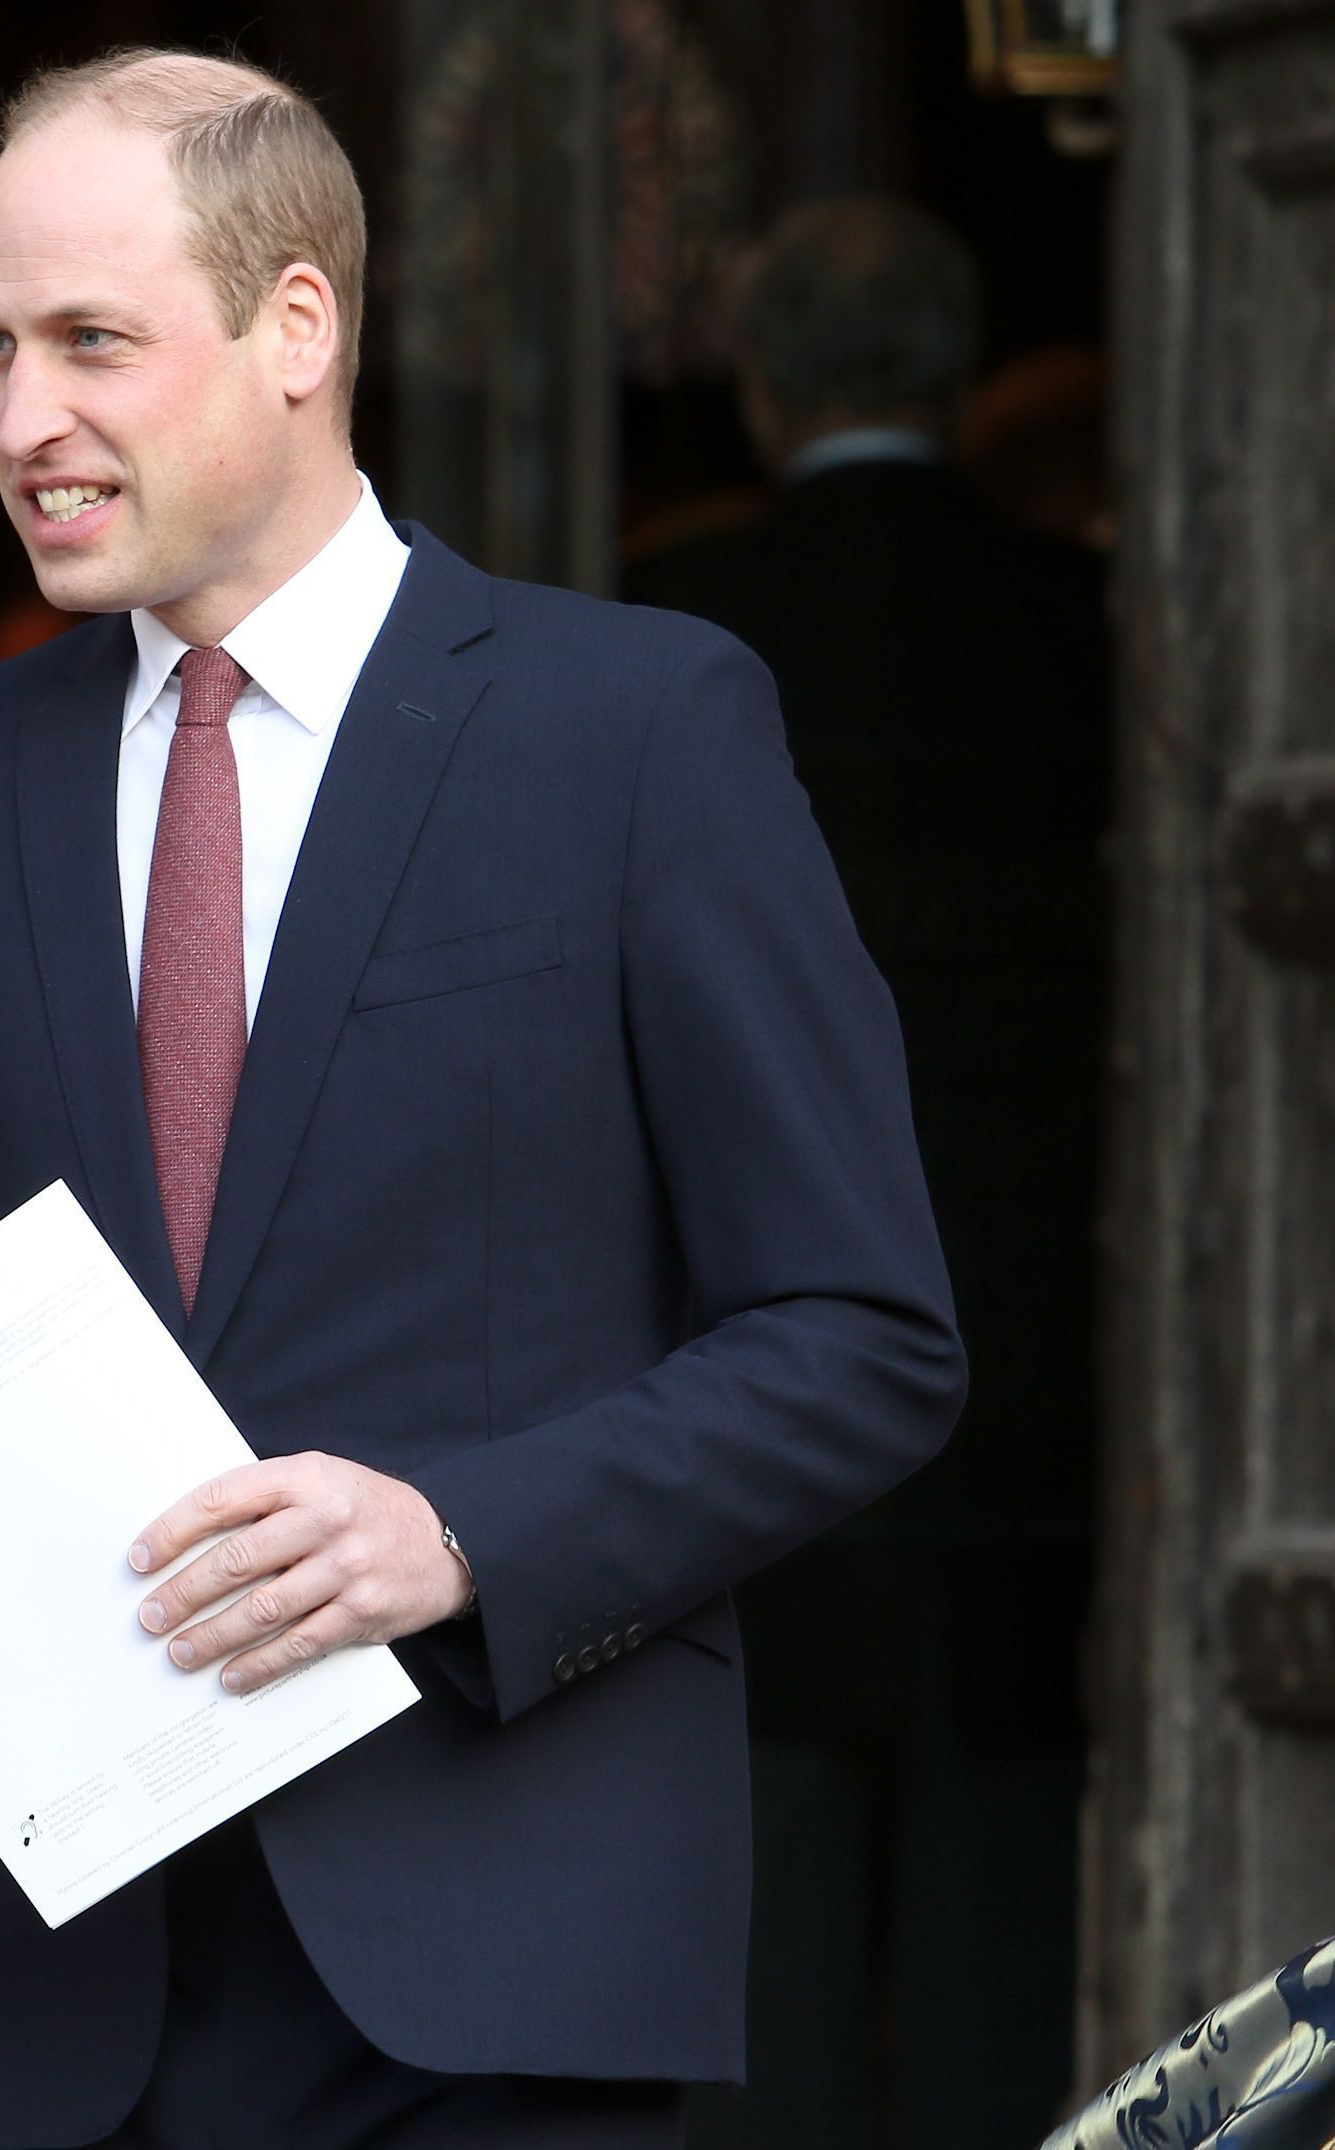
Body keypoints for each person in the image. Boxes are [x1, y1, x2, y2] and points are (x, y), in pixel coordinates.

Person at [0, 50, 965, 2150]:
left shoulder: (639, 731)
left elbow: (861, 1337)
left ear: (298, 327)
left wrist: (459, 1535)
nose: (23, 421)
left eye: (92, 341)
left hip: (501, 1981)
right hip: (57, 2004)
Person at [626, 200, 1109, 2142]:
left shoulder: (667, 626)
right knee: (1010, 1906)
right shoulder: (1093, 613)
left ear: (761, 388)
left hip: (740, 1321)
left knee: (768, 1914)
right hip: (1045, 1321)